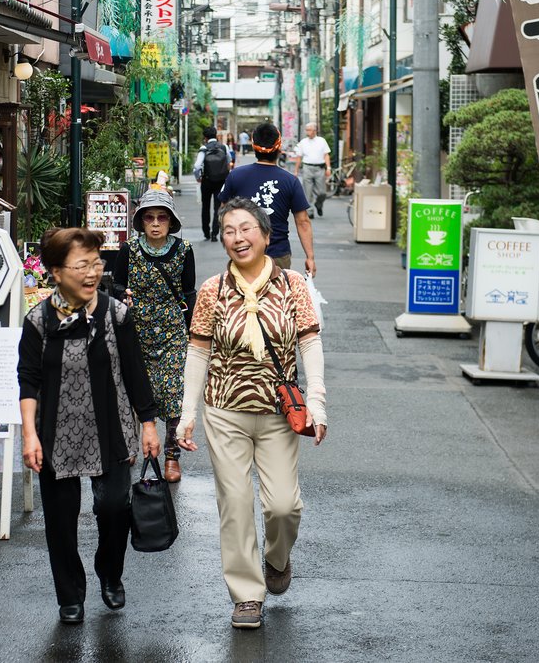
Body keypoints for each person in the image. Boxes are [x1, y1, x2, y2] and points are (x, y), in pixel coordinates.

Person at [176, 197, 328, 630]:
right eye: (228, 230)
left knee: (283, 506)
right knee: (236, 503)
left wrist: (316, 404)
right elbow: (198, 352)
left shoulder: (292, 285)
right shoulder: (212, 290)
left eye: (246, 229)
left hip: (278, 412)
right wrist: (187, 414)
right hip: (224, 411)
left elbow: (310, 344)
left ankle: (277, 557)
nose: (238, 238)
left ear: (265, 234)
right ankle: (246, 594)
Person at [18, 227, 161, 625]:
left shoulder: (116, 314)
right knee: (60, 521)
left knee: (115, 507)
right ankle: (70, 594)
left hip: (111, 426)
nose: (92, 272)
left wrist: (148, 423)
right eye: (81, 265)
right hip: (55, 434)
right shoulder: (38, 321)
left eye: (96, 263)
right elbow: (28, 379)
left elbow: (135, 371)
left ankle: (110, 572)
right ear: (55, 272)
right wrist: (29, 434)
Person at [112, 188, 196, 483]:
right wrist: (124, 294)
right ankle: (133, 446)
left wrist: (192, 332)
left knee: (174, 393)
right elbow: (117, 285)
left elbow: (188, 293)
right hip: (137, 330)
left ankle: (172, 455)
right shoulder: (128, 250)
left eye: (162, 217)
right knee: (135, 390)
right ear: (142, 221)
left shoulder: (184, 250)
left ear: (171, 221)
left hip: (173, 330)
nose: (156, 223)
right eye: (150, 217)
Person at [217, 122, 316, 275]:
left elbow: (223, 213)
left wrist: (231, 240)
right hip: (278, 255)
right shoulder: (290, 181)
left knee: (244, 296)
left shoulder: (236, 176)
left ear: (253, 145)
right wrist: (310, 256)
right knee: (276, 297)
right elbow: (302, 221)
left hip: (243, 251)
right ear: (279, 148)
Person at [193, 127, 232, 241]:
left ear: (205, 138)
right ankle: (215, 233)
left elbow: (197, 166)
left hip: (207, 181)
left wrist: (198, 177)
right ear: (216, 135)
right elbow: (229, 161)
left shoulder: (204, 148)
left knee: (205, 207)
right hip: (221, 181)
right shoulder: (224, 147)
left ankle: (206, 232)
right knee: (218, 207)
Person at [293, 123, 332, 217]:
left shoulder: (321, 141)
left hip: (320, 168)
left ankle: (318, 204)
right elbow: (299, 157)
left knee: (322, 192)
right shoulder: (303, 142)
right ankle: (310, 211)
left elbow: (326, 155)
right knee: (308, 191)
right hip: (307, 168)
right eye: (306, 130)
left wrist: (328, 168)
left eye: (309, 130)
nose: (307, 132)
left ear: (315, 131)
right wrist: (296, 171)